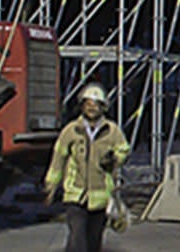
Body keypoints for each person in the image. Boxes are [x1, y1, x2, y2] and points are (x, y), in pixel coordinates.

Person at [44, 83, 130, 252]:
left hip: (101, 198)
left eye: (96, 105)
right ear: (82, 106)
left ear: (103, 107)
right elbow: (58, 158)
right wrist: (51, 185)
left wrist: (114, 160)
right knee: (78, 239)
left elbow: (124, 150)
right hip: (75, 196)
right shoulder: (71, 131)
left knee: (93, 241)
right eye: (88, 104)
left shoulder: (112, 131)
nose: (92, 109)